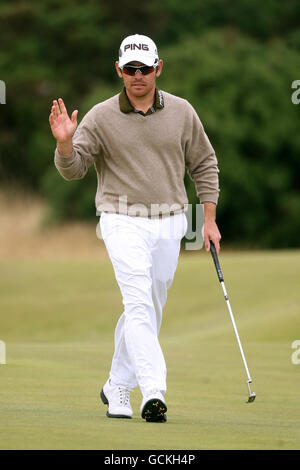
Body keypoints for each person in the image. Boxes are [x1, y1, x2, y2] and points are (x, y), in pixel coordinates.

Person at [49, 33, 221, 423]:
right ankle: (152, 390)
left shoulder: (181, 112)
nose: (138, 75)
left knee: (149, 306)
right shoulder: (101, 116)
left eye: (145, 68)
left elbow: (205, 165)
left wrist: (208, 220)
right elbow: (74, 169)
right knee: (138, 302)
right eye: (130, 68)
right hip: (120, 219)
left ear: (158, 68)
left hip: (171, 221)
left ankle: (115, 384)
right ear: (119, 70)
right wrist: (64, 144)